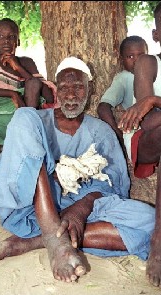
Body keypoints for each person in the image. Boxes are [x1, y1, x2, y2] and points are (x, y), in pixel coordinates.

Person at [0, 56, 155, 283]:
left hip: (88, 207)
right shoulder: (36, 121)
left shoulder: (101, 131)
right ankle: (56, 240)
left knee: (151, 220)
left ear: (90, 89)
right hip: (32, 205)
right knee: (23, 115)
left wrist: (80, 210)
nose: (71, 95)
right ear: (55, 90)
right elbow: (14, 171)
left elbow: (115, 183)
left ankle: (37, 239)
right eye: (64, 87)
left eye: (78, 87)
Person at [0, 18, 58, 168]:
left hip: (23, 117)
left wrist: (19, 68)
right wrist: (12, 94)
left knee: (34, 82)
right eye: (0, 36)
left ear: (18, 41)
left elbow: (48, 95)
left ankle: (27, 142)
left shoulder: (27, 62)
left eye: (11, 37)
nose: (6, 41)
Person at [118, 2, 161, 288]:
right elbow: (147, 122)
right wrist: (150, 105)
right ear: (157, 33)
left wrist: (155, 100)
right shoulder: (148, 62)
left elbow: (152, 107)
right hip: (146, 141)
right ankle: (158, 242)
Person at [97, 35, 148, 158]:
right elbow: (103, 107)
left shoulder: (155, 73)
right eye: (130, 56)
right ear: (122, 60)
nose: (136, 60)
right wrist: (117, 133)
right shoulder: (124, 78)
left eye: (141, 56)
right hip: (140, 132)